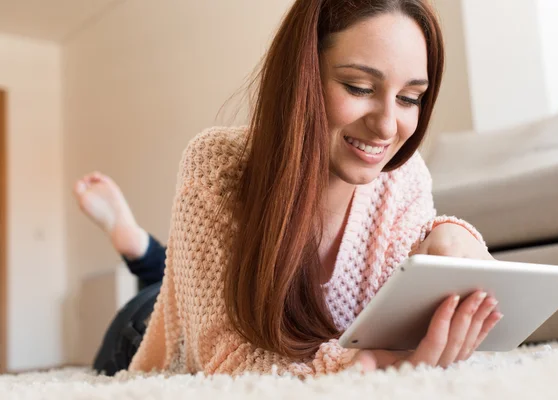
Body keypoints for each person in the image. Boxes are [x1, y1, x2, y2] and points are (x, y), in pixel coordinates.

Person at [77, 0, 504, 378]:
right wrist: (366, 367)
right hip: (146, 330)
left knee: (173, 278)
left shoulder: (405, 177)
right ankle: (137, 248)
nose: (389, 126)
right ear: (303, 75)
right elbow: (223, 363)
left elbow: (399, 306)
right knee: (162, 296)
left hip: (204, 296)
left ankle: (142, 249)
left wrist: (451, 231)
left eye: (410, 97)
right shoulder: (216, 162)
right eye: (359, 87)